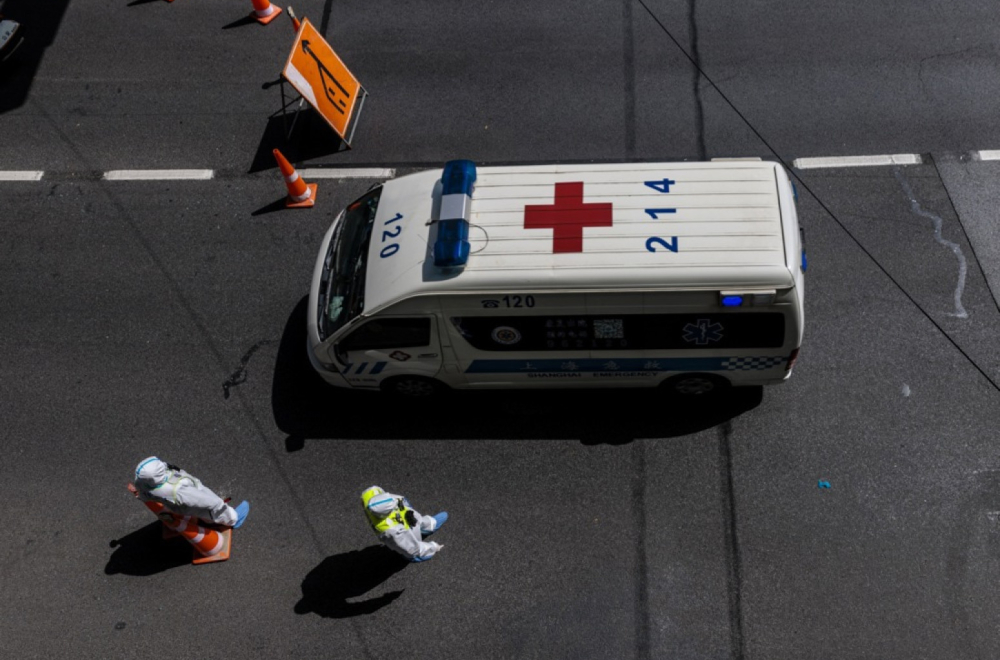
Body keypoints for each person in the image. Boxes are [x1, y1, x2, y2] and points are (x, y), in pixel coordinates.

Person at [133, 456, 249, 528]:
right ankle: (233, 519)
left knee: (200, 512)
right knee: (210, 510)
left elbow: (144, 496)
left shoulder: (145, 484)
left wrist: (138, 494)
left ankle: (207, 520)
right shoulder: (177, 490)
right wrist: (219, 503)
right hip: (190, 499)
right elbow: (206, 501)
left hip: (178, 507)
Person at [361, 486, 447, 562]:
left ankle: (425, 526)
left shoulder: (370, 493)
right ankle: (419, 555)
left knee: (413, 518)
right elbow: (412, 549)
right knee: (412, 550)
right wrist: (434, 546)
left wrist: (405, 506)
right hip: (401, 532)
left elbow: (396, 499)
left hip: (400, 522)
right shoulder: (391, 530)